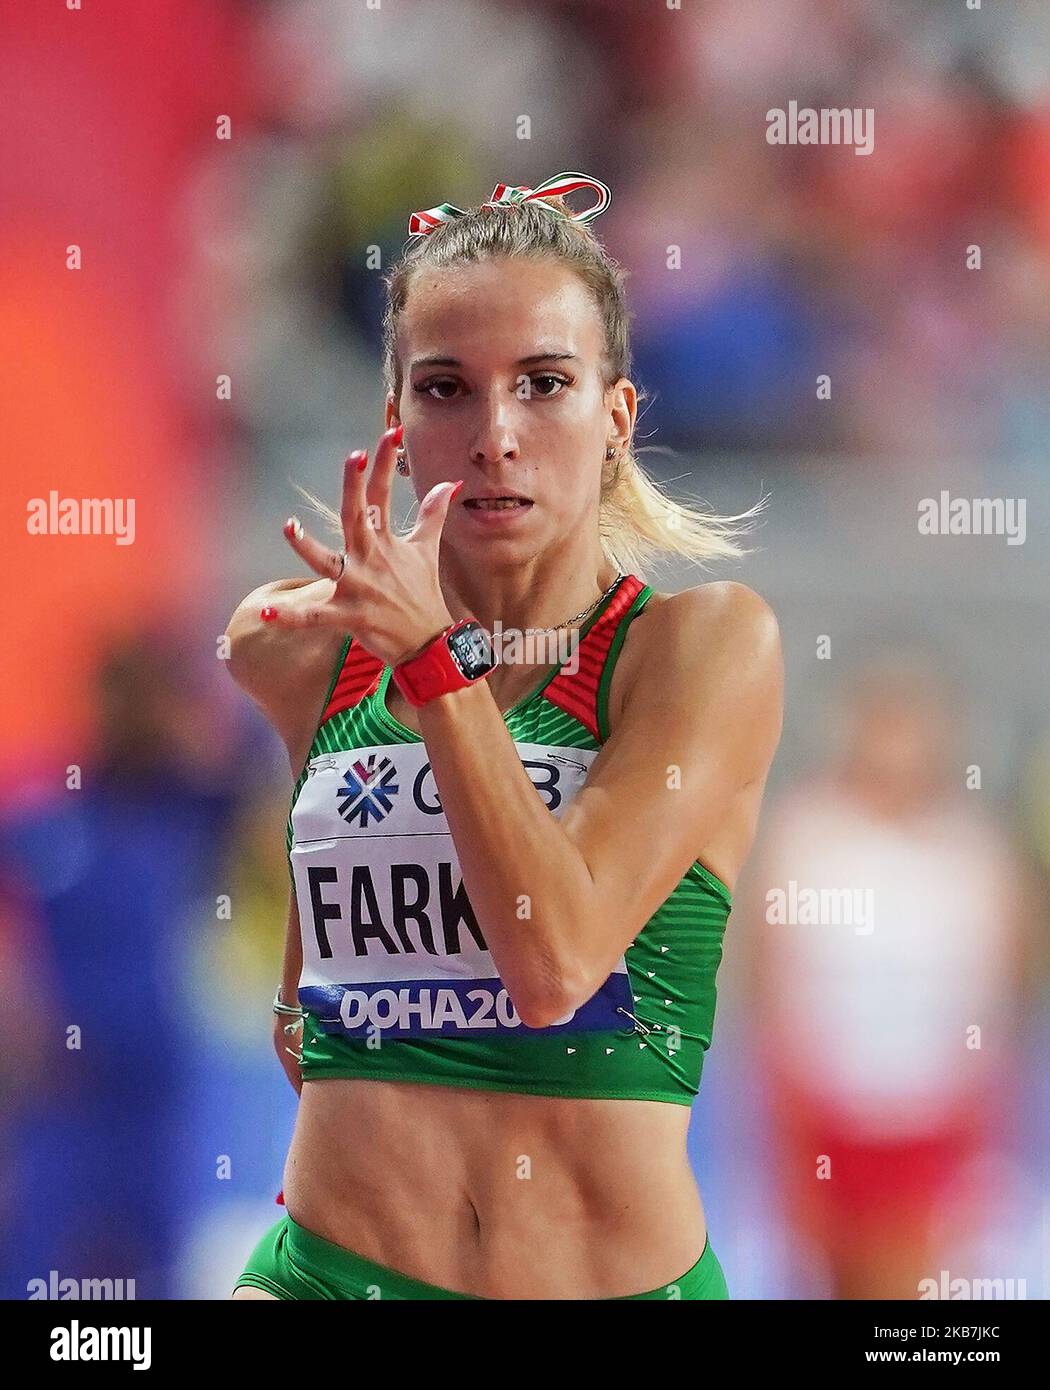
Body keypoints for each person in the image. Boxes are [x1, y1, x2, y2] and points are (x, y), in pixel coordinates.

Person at [225, 172, 783, 1300]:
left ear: (616, 417)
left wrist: (435, 665)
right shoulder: (299, 651)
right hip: (329, 1273)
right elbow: (310, 1020)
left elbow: (557, 964)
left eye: (543, 384)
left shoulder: (705, 648)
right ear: (396, 422)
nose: (495, 436)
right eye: (446, 389)